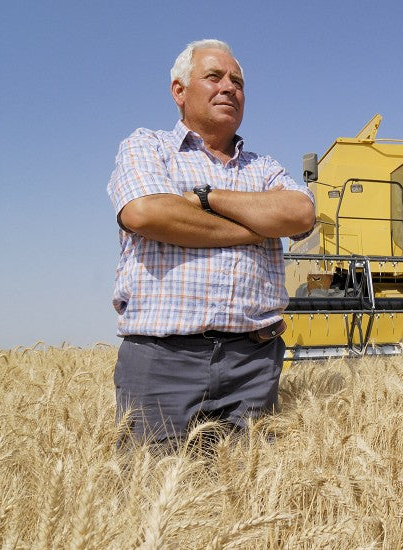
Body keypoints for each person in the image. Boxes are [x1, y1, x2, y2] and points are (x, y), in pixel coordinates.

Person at [106, 39, 315, 450]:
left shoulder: (264, 166)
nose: (229, 87)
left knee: (249, 494)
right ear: (179, 91)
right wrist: (255, 228)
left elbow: (300, 214)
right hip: (163, 362)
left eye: (237, 81)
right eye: (214, 77)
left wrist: (207, 198)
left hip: (252, 363)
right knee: (152, 498)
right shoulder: (148, 146)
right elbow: (146, 213)